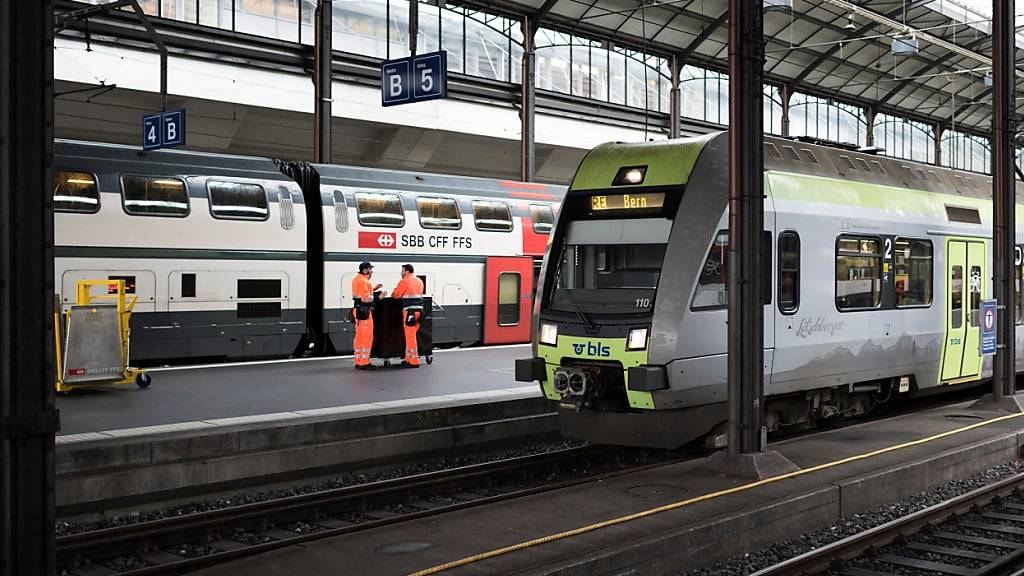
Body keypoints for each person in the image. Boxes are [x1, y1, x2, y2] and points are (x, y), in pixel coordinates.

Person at [391, 263, 425, 368]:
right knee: (412, 335)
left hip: (409, 312)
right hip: (419, 312)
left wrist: (394, 290)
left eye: (402, 271)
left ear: (407, 271)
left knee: (410, 337)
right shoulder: (419, 281)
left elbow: (396, 295)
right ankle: (408, 359)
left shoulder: (404, 281)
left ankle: (413, 361)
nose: (401, 273)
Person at [351, 261, 383, 370]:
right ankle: (364, 362)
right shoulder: (364, 281)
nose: (371, 271)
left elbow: (361, 294)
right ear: (365, 270)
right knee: (366, 336)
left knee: (359, 336)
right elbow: (365, 298)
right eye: (370, 269)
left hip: (358, 310)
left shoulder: (357, 279)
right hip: (364, 311)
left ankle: (358, 360)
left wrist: (374, 289)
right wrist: (379, 297)